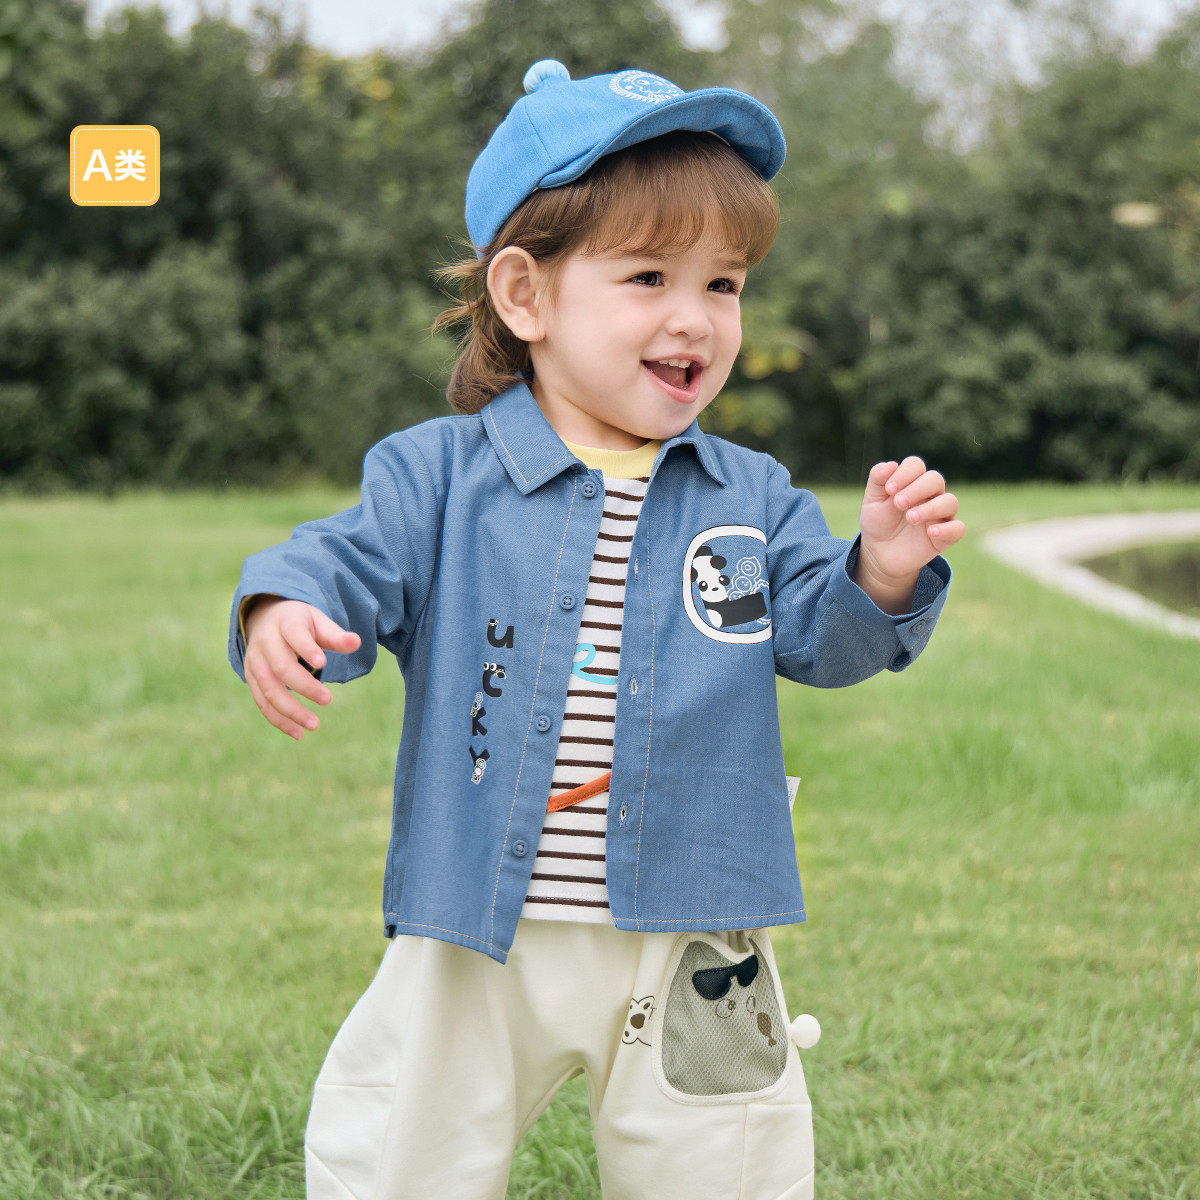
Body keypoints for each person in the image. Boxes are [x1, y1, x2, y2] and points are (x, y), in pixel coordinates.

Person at [228, 59, 963, 1200]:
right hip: (476, 920)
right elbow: (345, 558)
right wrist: (287, 604)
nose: (695, 316)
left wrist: (881, 568)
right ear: (526, 295)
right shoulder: (439, 477)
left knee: (723, 1163)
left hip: (693, 925)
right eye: (649, 275)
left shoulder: (749, 495)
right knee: (401, 1153)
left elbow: (823, 637)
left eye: (724, 283)